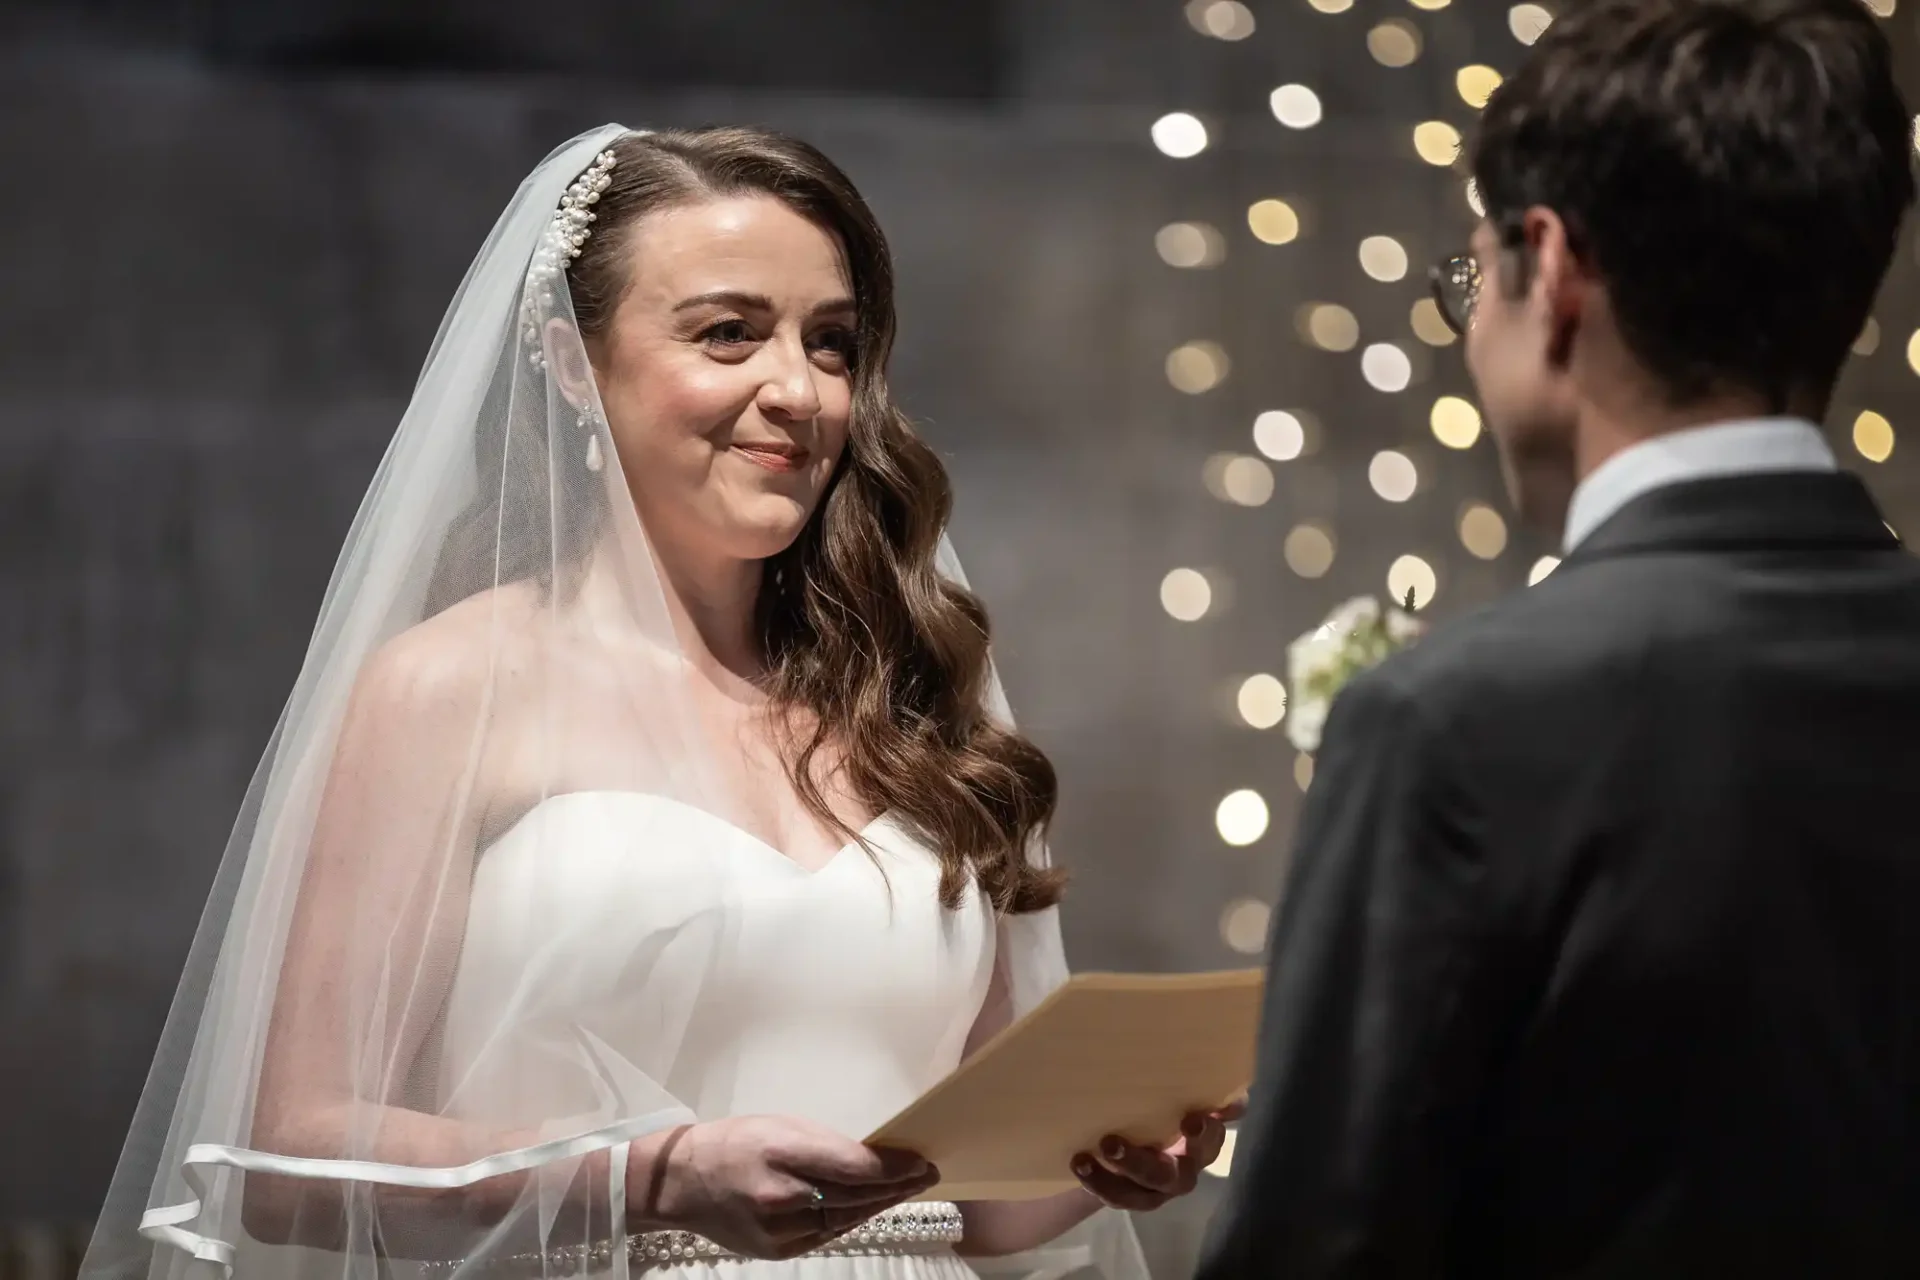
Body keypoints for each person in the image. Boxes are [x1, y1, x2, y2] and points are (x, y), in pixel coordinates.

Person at [78, 124, 1227, 1280]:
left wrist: (1101, 1158)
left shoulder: (916, 693)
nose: (799, 390)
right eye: (728, 333)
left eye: (831, 344)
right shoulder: (455, 687)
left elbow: (975, 1209)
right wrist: (652, 1173)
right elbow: (291, 1157)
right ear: (572, 362)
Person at [1199, 1, 1920, 1276]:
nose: (1470, 325)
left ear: (1556, 267)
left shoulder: (1453, 723)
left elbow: (1317, 1245)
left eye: (1473, 275)